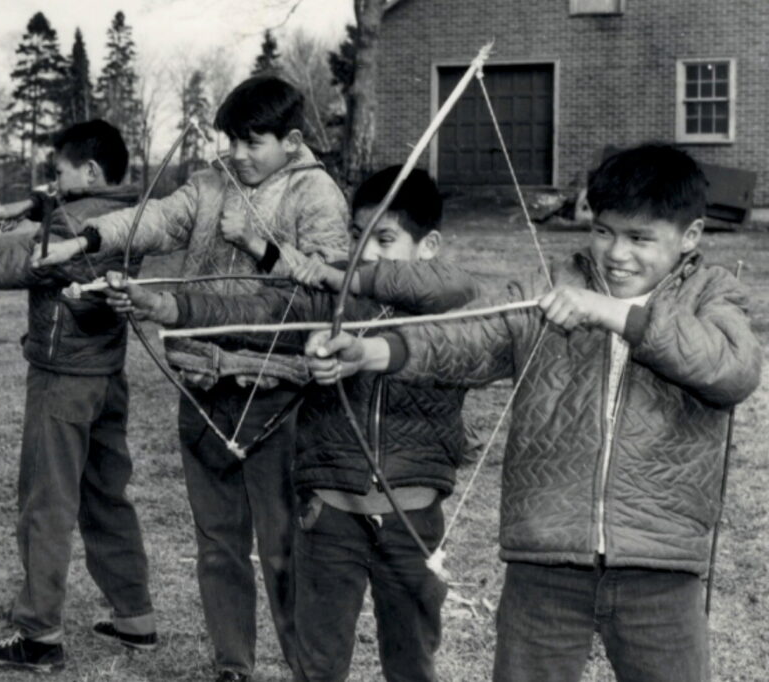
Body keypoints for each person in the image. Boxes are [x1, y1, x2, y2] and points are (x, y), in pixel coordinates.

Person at [305, 143, 762, 682]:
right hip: (544, 560)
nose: (617, 253)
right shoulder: (551, 288)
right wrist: (372, 351)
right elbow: (468, 340)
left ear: (690, 237)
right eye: (604, 231)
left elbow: (732, 369)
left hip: (662, 567)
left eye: (640, 238)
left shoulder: (713, 295)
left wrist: (620, 316)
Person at [34, 76, 350, 682]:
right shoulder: (210, 185)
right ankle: (233, 665)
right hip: (203, 386)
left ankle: (307, 668)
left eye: (252, 142)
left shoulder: (318, 196)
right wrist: (87, 238)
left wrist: (261, 248)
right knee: (218, 542)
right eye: (231, 140)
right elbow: (153, 219)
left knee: (285, 548)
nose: (237, 153)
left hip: (277, 391)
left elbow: (327, 293)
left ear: (291, 140)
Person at [104, 166, 475, 682]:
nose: (365, 252)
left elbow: (454, 295)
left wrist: (361, 326)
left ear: (429, 245)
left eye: (384, 239)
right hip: (330, 519)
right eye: (357, 236)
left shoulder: (452, 308)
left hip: (412, 522)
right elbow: (255, 309)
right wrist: (167, 305)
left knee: (412, 662)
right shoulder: (329, 301)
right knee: (317, 664)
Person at [0, 120, 156, 674]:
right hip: (107, 377)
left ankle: (38, 634)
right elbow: (73, 209)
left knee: (46, 502)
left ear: (87, 171)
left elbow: (8, 265)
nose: (52, 179)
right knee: (106, 495)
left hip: (63, 379)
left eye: (58, 170)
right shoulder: (126, 214)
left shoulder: (68, 221)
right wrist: (35, 205)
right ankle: (135, 617)